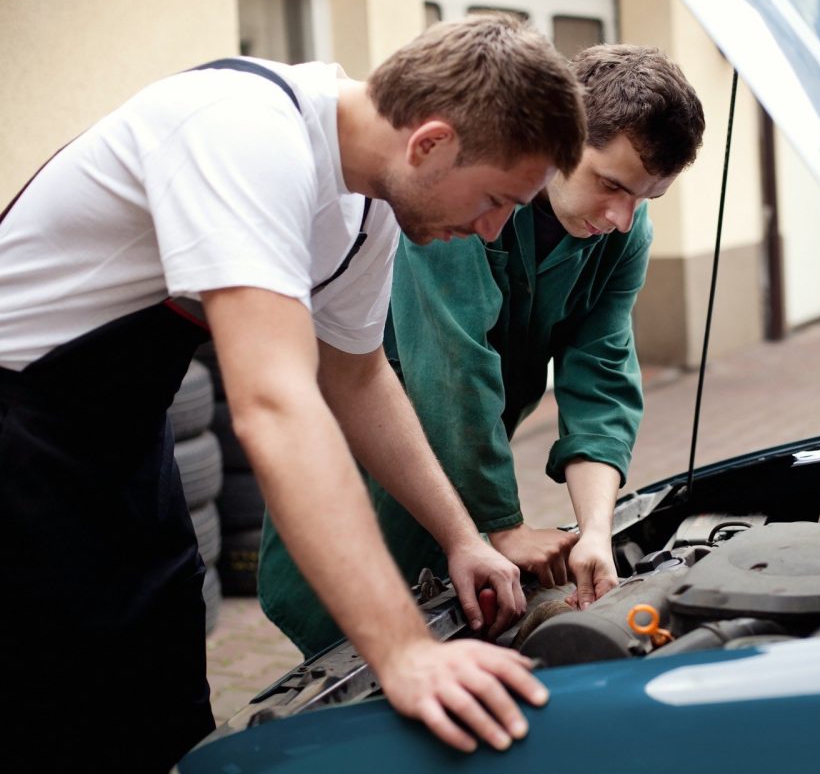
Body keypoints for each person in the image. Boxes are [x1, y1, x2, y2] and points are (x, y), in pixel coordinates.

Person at [0, 16, 585, 771]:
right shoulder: (243, 132)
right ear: (431, 142)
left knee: (163, 692)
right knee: (49, 709)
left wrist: (462, 537)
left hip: (121, 439)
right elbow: (276, 407)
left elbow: (358, 377)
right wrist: (403, 651)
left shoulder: (367, 205)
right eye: (497, 198)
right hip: (19, 432)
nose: (493, 230)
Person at [259, 45, 705, 657]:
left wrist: (596, 532)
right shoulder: (466, 195)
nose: (623, 218)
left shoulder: (620, 234)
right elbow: (452, 365)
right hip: (370, 451)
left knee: (449, 616)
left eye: (645, 200)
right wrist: (504, 525)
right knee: (348, 643)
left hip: (466, 462)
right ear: (564, 138)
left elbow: (600, 373)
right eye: (612, 185)